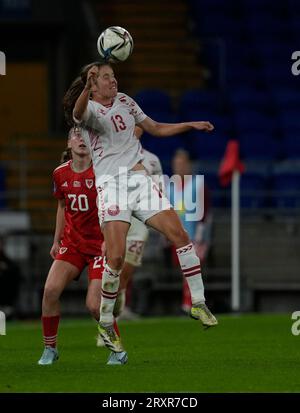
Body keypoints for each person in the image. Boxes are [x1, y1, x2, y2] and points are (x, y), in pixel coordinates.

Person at [63, 61, 218, 355]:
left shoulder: (125, 101)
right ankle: (106, 321)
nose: (113, 81)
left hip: (140, 181)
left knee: (181, 235)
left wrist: (190, 125)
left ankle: (198, 303)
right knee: (117, 257)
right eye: (105, 78)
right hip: (111, 187)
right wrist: (85, 86)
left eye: (113, 75)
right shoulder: (90, 111)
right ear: (93, 86)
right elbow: (77, 112)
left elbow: (155, 128)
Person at [38, 127, 127, 366]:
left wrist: (110, 238)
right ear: (68, 143)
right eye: (76, 135)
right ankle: (50, 349)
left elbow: (115, 206)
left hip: (99, 245)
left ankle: (117, 349)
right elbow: (62, 207)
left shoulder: (103, 172)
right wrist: (56, 240)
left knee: (94, 306)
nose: (81, 139)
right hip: (73, 245)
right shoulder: (60, 174)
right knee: (50, 291)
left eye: (86, 136)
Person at [170, 149, 213, 313]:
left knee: (192, 269)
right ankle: (190, 302)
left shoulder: (198, 184)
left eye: (182, 164)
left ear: (188, 165)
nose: (179, 167)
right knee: (184, 271)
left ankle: (190, 303)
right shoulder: (170, 185)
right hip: (177, 236)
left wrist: (201, 235)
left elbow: (206, 210)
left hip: (195, 236)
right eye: (176, 164)